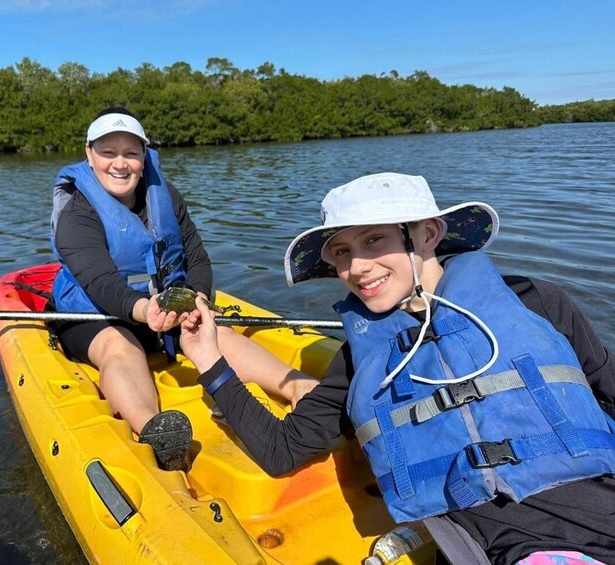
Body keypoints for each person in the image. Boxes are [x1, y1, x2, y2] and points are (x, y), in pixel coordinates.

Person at [180, 172, 615, 564]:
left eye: (374, 241)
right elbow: (282, 450)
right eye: (342, 252)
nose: (356, 267)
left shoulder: (536, 302)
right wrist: (207, 359)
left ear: (428, 233)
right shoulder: (360, 361)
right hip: (513, 548)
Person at [49, 107, 318, 471]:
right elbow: (100, 283)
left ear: (144, 156)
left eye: (130, 152)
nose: (120, 164)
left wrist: (199, 298)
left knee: (211, 331)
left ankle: (299, 386)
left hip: (162, 305)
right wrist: (144, 311)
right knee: (120, 346)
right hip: (96, 313)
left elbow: (197, 258)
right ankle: (155, 432)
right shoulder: (77, 214)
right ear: (89, 154)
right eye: (108, 152)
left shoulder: (166, 197)